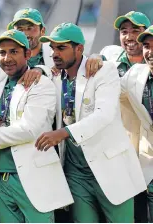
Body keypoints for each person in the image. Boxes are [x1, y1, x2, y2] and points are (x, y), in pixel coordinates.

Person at [36, 22, 146, 222]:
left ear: (79, 49)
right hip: (75, 173)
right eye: (52, 48)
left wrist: (64, 133)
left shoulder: (104, 71)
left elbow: (104, 115)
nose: (54, 54)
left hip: (110, 167)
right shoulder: (54, 77)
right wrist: (39, 69)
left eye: (61, 47)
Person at [0, 29, 73, 223]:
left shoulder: (41, 84)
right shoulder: (0, 82)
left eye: (14, 52)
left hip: (33, 176)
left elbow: (28, 129)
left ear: (28, 54)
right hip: (1, 176)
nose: (7, 58)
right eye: (2, 52)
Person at [98, 11, 151, 221]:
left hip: (146, 152)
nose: (129, 37)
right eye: (124, 31)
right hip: (118, 153)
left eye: (135, 31)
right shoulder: (110, 59)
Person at [120, 25, 153, 222]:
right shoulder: (135, 74)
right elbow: (110, 90)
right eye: (147, 46)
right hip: (145, 168)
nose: (150, 52)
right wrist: (96, 62)